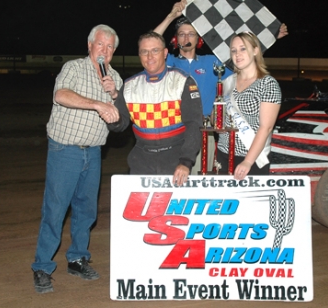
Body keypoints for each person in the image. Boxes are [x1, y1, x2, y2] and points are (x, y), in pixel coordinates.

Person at [31, 24, 123, 294]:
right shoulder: (73, 68)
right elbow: (60, 95)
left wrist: (114, 95)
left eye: (109, 47)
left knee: (86, 211)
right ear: (90, 46)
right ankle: (42, 266)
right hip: (65, 150)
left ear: (114, 51)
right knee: (55, 210)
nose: (104, 50)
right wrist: (97, 103)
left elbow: (119, 119)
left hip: (94, 152)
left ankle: (77, 259)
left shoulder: (114, 78)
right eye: (100, 45)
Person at [154, 0, 288, 174]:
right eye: (181, 34)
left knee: (204, 180)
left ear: (199, 39)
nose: (186, 38)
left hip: (205, 132)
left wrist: (268, 38)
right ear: (175, 38)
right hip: (174, 129)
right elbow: (151, 45)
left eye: (191, 34)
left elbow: (244, 60)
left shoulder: (212, 63)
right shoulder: (168, 62)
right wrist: (171, 16)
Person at [108, 31, 202, 186]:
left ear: (165, 53)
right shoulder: (129, 86)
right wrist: (114, 119)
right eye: (144, 52)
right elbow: (121, 124)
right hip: (141, 161)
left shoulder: (183, 81)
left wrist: (186, 162)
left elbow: (194, 124)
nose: (149, 56)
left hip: (176, 161)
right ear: (139, 55)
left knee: (174, 211)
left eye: (155, 51)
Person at [217, 32, 281, 180]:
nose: (237, 54)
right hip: (223, 153)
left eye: (243, 48)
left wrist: (248, 161)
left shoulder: (268, 83)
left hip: (252, 158)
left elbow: (266, 127)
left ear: (255, 51)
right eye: (234, 50)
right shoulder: (227, 82)